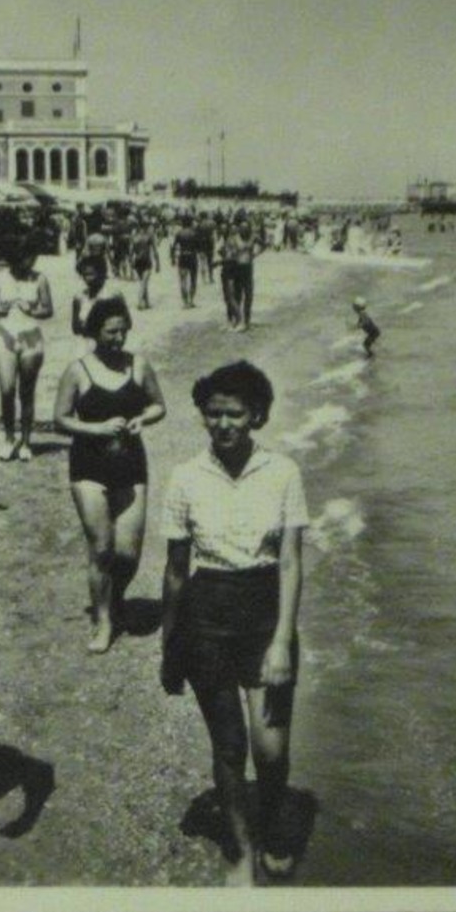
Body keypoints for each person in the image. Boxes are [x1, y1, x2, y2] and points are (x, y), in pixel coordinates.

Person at [159, 361, 308, 884]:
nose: (223, 424)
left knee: (270, 751)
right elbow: (176, 571)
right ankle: (241, 851)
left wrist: (283, 642)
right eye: (213, 414)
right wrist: (169, 645)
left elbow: (290, 563)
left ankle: (271, 824)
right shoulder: (184, 477)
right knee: (228, 746)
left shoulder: (284, 473)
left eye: (235, 414)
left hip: (266, 613)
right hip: (206, 617)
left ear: (258, 416)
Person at [53, 296, 166, 653]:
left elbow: (158, 405)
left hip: (131, 465)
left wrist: (142, 419)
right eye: (110, 332)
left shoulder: (139, 366)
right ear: (95, 332)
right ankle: (103, 621)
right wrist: (97, 429)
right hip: (88, 467)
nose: (118, 339)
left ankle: (113, 597)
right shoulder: (78, 371)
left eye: (122, 331)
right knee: (101, 548)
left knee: (128, 555)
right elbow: (60, 418)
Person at [0, 244, 54, 462]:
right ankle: (8, 439)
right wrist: (2, 309)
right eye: (27, 259)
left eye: (33, 258)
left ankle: (25, 441)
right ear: (15, 259)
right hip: (5, 339)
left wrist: (31, 310)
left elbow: (48, 309)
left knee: (26, 391)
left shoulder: (39, 279)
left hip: (30, 339)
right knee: (6, 390)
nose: (32, 263)